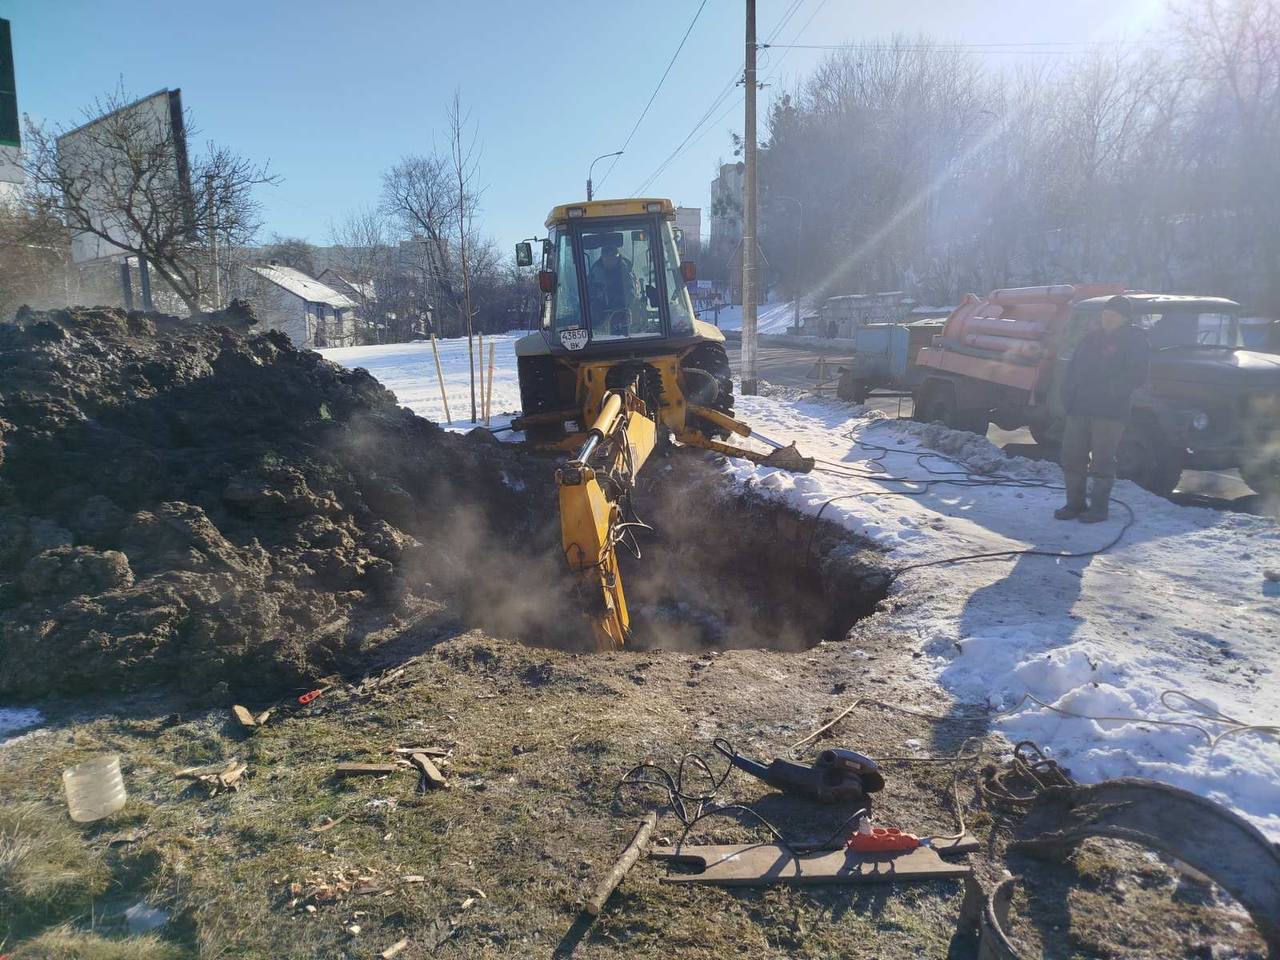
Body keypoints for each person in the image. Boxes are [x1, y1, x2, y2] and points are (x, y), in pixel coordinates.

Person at [1055, 295, 1150, 523]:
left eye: (1113, 316)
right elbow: (1072, 368)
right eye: (1105, 314)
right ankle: (1074, 504)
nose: (1107, 319)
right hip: (1080, 408)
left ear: (1124, 319)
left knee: (1102, 462)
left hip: (1109, 412)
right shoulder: (1091, 337)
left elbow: (1136, 376)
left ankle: (1098, 509)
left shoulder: (1134, 340)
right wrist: (1067, 395)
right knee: (1072, 457)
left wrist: (1108, 392)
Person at [587, 236, 637, 334]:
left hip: (623, 310)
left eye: (612, 258)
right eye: (607, 258)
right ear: (602, 258)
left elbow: (630, 291)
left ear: (617, 257)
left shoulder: (626, 270)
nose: (610, 260)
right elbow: (589, 293)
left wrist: (621, 306)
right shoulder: (595, 272)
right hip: (600, 313)